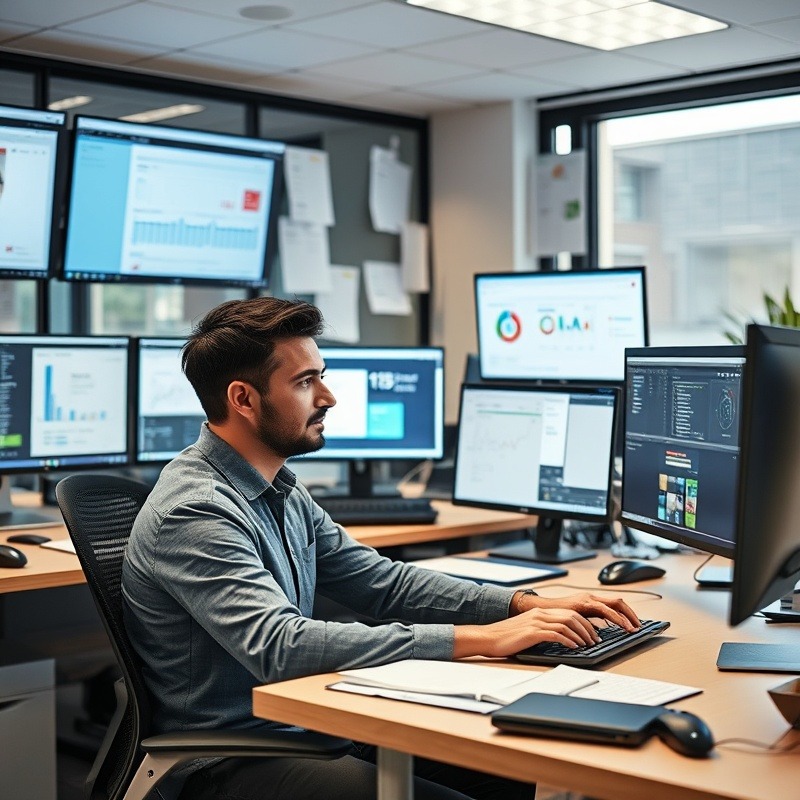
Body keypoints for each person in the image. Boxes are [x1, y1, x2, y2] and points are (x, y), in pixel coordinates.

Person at [122, 296, 642, 800]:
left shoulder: (280, 487)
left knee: (512, 770)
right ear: (243, 399)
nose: (327, 396)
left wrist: (523, 605)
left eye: (321, 376)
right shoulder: (196, 510)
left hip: (311, 720)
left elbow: (381, 582)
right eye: (306, 382)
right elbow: (282, 646)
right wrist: (482, 638)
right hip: (235, 756)